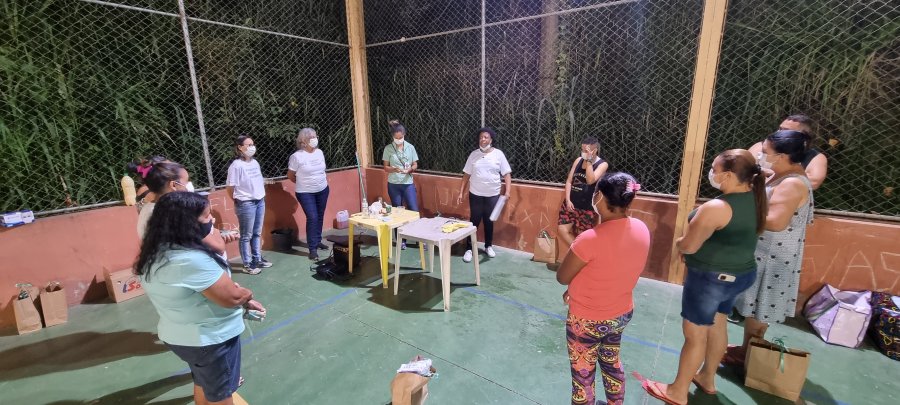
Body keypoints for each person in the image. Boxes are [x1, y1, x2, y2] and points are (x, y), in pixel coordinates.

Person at [638, 150, 767, 405]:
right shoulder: (756, 197)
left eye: (714, 169)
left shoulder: (717, 207)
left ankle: (677, 391)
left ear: (728, 175)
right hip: (741, 275)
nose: (712, 173)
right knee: (718, 323)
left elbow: (689, 245)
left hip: (711, 280)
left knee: (695, 335)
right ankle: (707, 378)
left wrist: (679, 242)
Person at [135, 191, 265, 405]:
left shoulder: (157, 251)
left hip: (182, 337)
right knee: (220, 395)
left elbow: (201, 289)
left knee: (203, 382)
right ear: (186, 223)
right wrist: (246, 294)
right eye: (206, 216)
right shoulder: (190, 260)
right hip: (211, 340)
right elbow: (232, 297)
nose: (211, 220)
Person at [556, 172, 650, 405]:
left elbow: (562, 276)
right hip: (620, 313)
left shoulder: (589, 239)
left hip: (587, 320)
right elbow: (611, 267)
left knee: (583, 374)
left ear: (599, 197)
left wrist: (572, 286)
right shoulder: (641, 228)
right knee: (611, 361)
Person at [723, 130, 814, 366]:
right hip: (763, 251)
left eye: (765, 152)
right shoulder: (780, 176)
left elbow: (775, 222)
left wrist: (735, 214)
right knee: (754, 306)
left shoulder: (792, 183)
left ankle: (749, 355)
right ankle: (747, 350)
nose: (761, 156)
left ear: (782, 156)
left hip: (773, 256)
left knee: (760, 306)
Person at [138, 162, 239, 265]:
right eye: (186, 181)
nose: (189, 185)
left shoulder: (149, 208)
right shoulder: (174, 213)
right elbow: (219, 248)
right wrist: (217, 235)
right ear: (173, 185)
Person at [457, 127, 512, 263]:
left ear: (491, 140)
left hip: (493, 195)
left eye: (486, 137)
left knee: (489, 221)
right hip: (475, 194)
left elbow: (506, 174)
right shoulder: (473, 155)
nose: (483, 139)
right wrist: (461, 192)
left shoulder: (498, 154)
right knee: (474, 221)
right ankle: (469, 249)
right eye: (481, 137)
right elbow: (466, 175)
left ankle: (488, 246)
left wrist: (508, 191)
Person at [227, 135, 271, 274]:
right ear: (240, 147)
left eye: (253, 144)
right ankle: (247, 264)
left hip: (260, 200)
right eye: (248, 145)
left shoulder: (255, 162)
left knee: (257, 233)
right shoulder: (236, 165)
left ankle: (257, 259)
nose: (252, 147)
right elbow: (230, 187)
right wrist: (238, 200)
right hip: (246, 203)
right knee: (246, 235)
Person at [748, 114, 827, 190]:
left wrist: (771, 173)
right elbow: (745, 167)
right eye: (780, 128)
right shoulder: (763, 146)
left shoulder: (815, 157)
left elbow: (814, 182)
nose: (779, 132)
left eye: (786, 130)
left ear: (802, 135)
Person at [558, 137, 609, 252]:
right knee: (562, 229)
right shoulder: (578, 160)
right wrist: (568, 200)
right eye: (582, 150)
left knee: (584, 236)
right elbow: (569, 181)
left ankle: (582, 255)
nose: (583, 153)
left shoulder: (602, 164)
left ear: (595, 150)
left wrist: (589, 161)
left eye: (587, 151)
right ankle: (579, 253)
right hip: (571, 203)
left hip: (587, 207)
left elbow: (591, 180)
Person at [287, 128, 330, 261]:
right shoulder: (297, 156)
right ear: (303, 141)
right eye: (311, 137)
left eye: (315, 136)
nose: (314, 139)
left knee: (320, 216)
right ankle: (312, 249)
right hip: (305, 192)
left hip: (322, 189)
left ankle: (317, 240)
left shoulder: (319, 152)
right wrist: (304, 182)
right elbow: (291, 175)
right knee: (312, 217)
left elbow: (322, 170)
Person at [382, 120, 419, 249]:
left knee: (414, 209)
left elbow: (415, 164)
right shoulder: (388, 148)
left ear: (404, 135)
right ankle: (400, 240)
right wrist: (393, 169)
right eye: (396, 138)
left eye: (400, 137)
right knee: (397, 211)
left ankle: (418, 238)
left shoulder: (410, 147)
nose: (398, 140)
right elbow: (385, 167)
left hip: (407, 183)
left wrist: (410, 169)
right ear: (393, 136)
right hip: (394, 184)